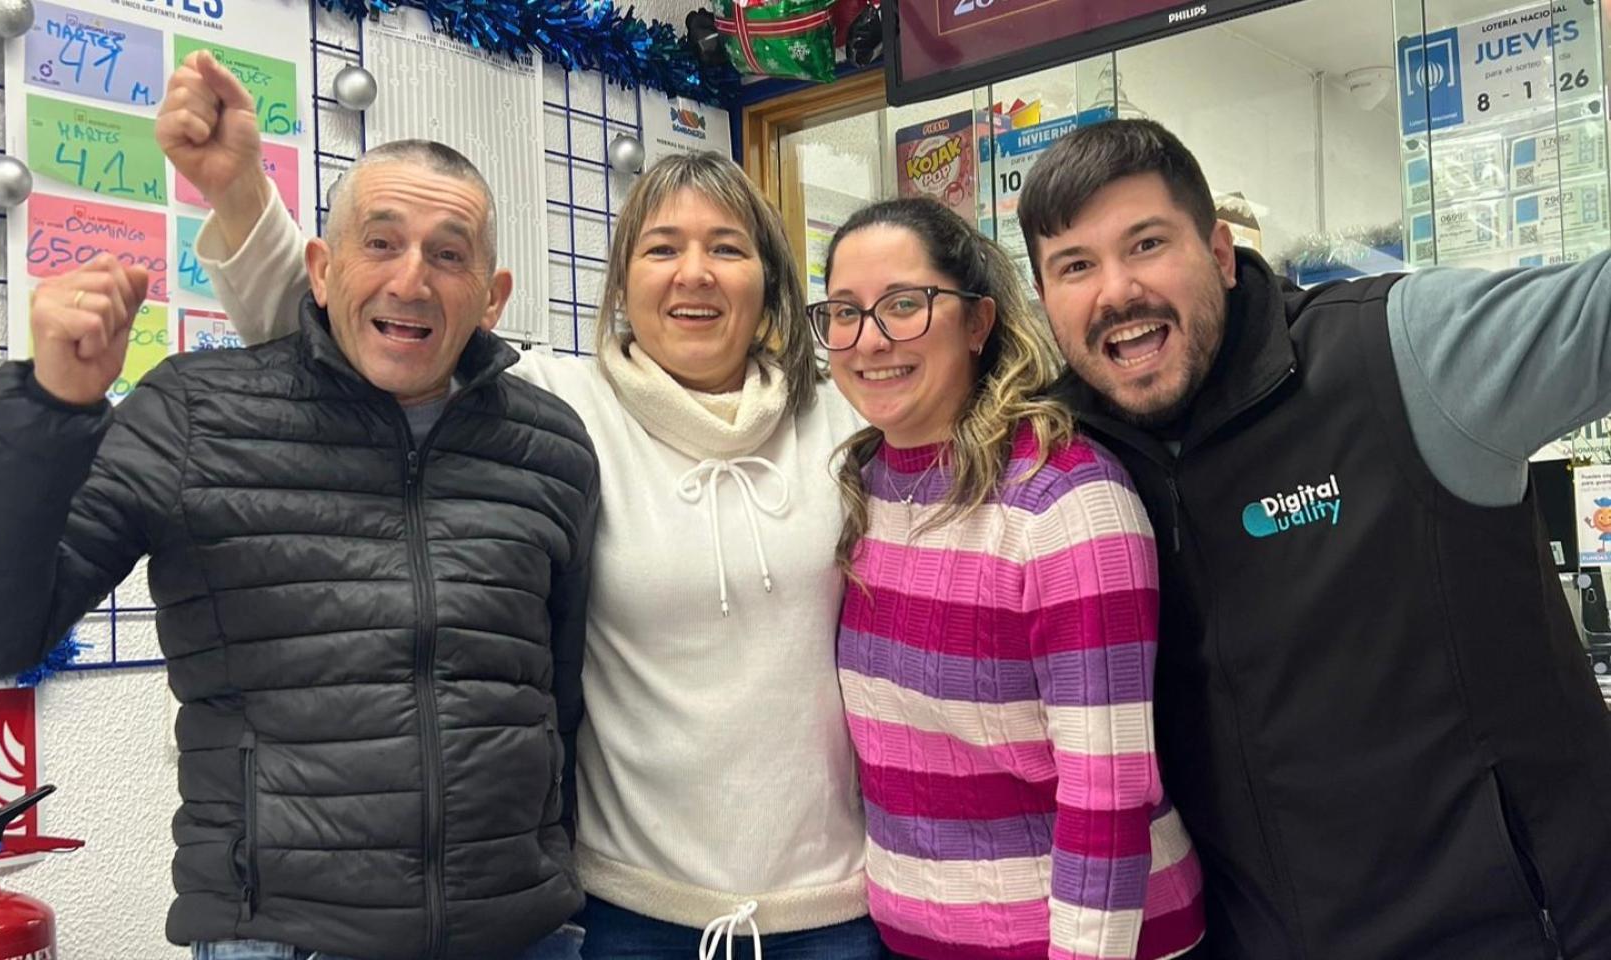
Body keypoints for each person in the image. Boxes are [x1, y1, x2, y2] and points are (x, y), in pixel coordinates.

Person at [161, 54, 878, 959]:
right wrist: (236, 194)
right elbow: (357, 329)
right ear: (622, 282)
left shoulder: (845, 419)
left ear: (770, 281)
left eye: (727, 248)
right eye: (661, 248)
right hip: (629, 908)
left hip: (833, 908)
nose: (693, 274)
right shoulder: (553, 407)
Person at [0, 139, 600, 960]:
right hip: (278, 937)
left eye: (448, 255)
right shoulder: (199, 415)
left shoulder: (549, 447)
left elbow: (560, 695)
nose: (411, 280)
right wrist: (45, 407)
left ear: (491, 297)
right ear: (321, 268)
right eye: (379, 242)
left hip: (520, 935)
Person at [1019, 117, 1611, 960]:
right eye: (1075, 266)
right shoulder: (1067, 464)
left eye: (1146, 243)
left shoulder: (1398, 355)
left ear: (1220, 254)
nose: (1115, 291)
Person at [816, 197, 1206, 960]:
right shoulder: (865, 487)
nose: (871, 339)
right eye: (843, 312)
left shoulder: (1065, 499)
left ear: (977, 322)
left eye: (904, 304)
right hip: (919, 939)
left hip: (1091, 939)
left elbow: (1109, 793)